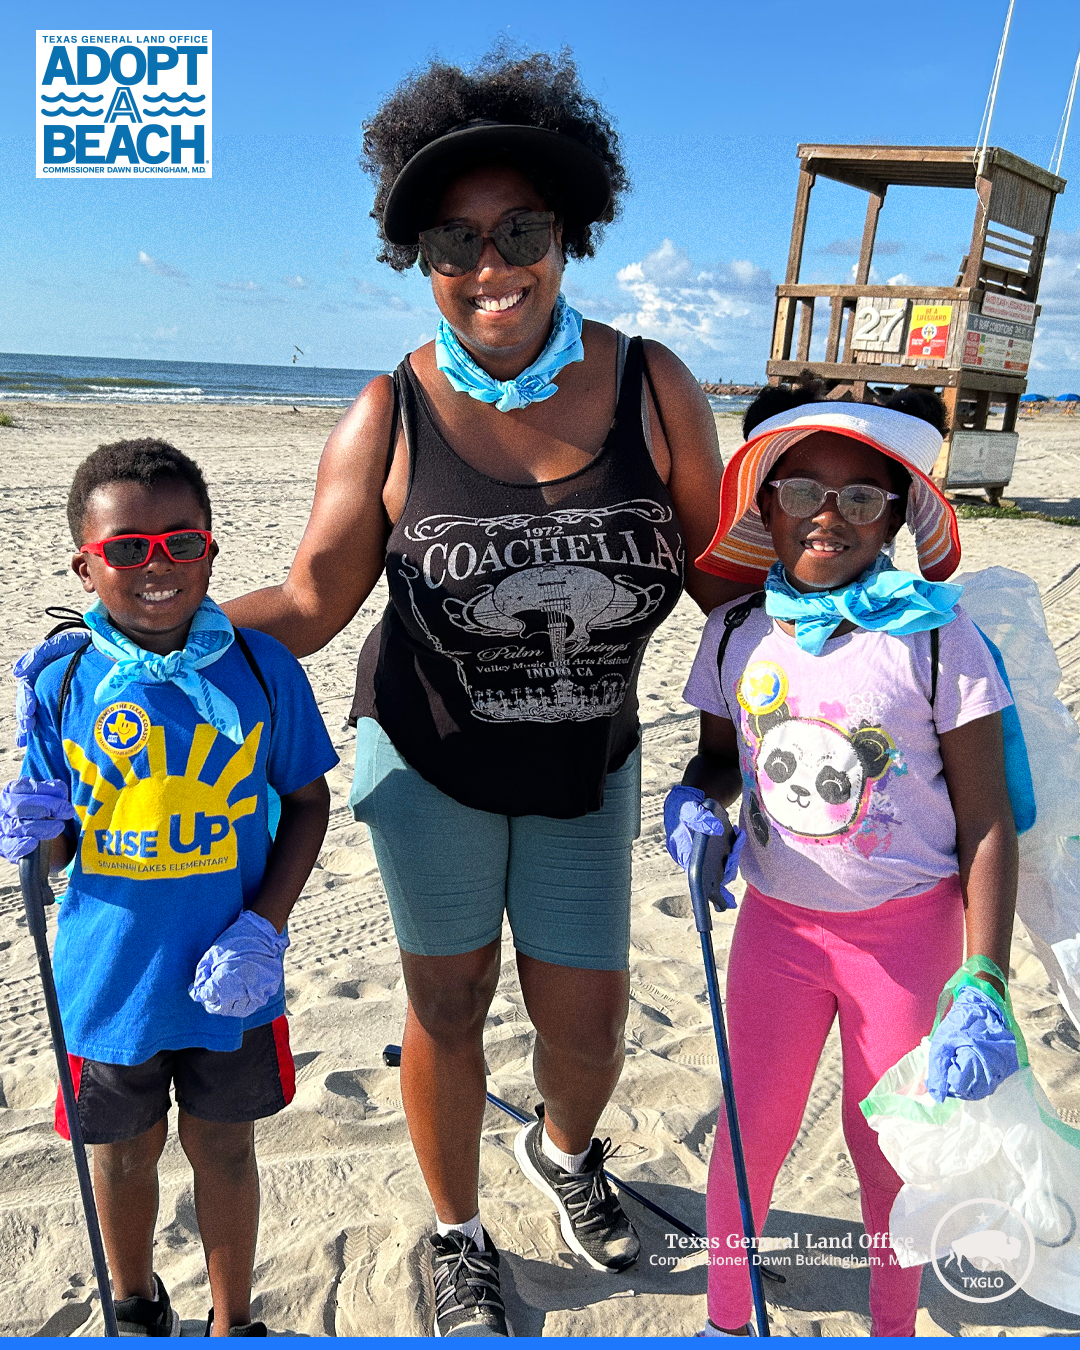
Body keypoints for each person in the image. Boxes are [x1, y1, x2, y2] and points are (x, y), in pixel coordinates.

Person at [223, 49, 744, 1336]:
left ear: (570, 236)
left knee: (589, 1027)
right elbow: (312, 601)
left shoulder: (654, 386)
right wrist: (136, 639)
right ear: (420, 258)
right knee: (446, 1002)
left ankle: (564, 1155)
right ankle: (457, 1233)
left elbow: (726, 586)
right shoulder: (387, 410)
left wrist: (835, 671)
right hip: (429, 762)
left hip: (587, 765)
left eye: (521, 230)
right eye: (455, 240)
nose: (491, 264)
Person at [665, 390, 1020, 1337]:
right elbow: (719, 756)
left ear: (896, 517)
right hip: (776, 931)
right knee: (749, 1136)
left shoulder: (939, 640)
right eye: (803, 492)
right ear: (766, 504)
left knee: (890, 1154)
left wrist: (986, 975)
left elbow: (987, 820)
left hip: (907, 940)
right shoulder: (736, 633)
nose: (829, 516)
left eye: (862, 498)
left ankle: (892, 1329)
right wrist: (696, 800)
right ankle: (726, 1323)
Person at [0, 440, 337, 1336]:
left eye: (181, 542)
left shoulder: (261, 668)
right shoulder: (63, 681)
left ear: (211, 550)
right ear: (84, 566)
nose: (158, 566)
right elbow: (55, 853)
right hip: (109, 980)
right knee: (120, 1155)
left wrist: (265, 926)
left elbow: (308, 801)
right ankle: (136, 1302)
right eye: (126, 549)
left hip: (232, 974)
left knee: (226, 1149)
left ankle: (234, 1320)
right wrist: (35, 832)